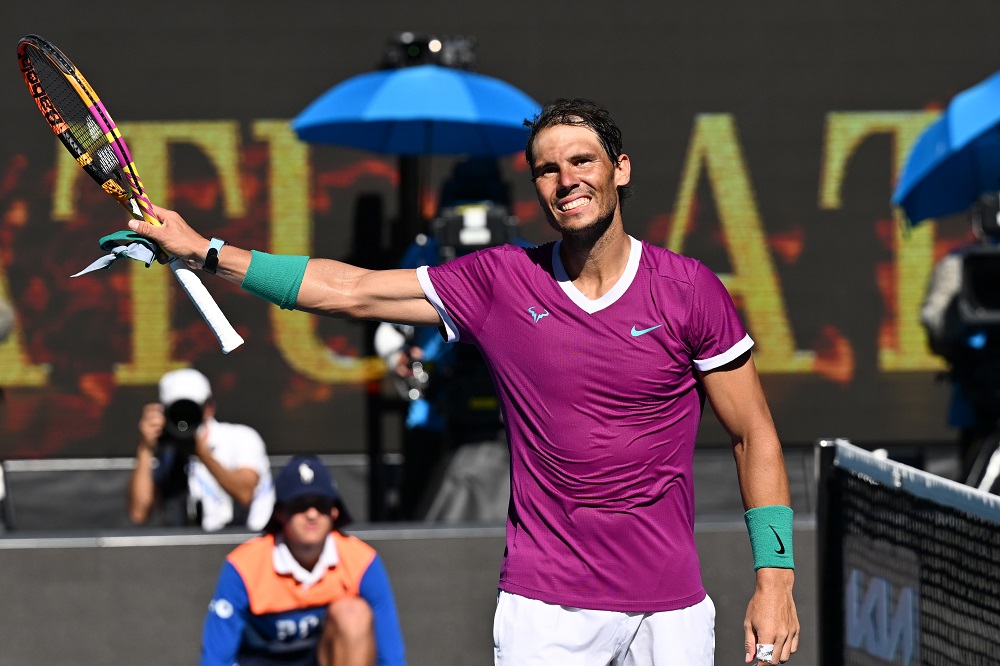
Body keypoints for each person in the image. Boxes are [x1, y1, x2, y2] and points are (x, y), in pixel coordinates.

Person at [128, 98, 799, 665]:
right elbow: (352, 292)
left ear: (620, 169)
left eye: (582, 160)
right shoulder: (501, 282)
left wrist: (775, 582)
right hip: (545, 609)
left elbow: (754, 435)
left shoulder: (689, 292)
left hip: (671, 608)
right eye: (547, 169)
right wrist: (206, 252)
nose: (566, 179)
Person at [200, 455, 406, 666]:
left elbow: (391, 657)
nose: (312, 514)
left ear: (335, 511)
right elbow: (216, 659)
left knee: (353, 613)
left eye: (321, 504)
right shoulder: (244, 566)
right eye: (299, 505)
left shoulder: (362, 561)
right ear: (280, 513)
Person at [128, 367, 275, 531]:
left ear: (209, 408)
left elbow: (244, 493)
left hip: (247, 545)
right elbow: (139, 513)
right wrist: (145, 447)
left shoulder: (241, 438)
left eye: (190, 410)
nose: (183, 420)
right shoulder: (166, 452)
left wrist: (202, 453)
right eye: (177, 411)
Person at [921, 192, 1000, 484]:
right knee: (974, 499)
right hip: (977, 406)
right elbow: (935, 325)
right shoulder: (957, 265)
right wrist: (961, 307)